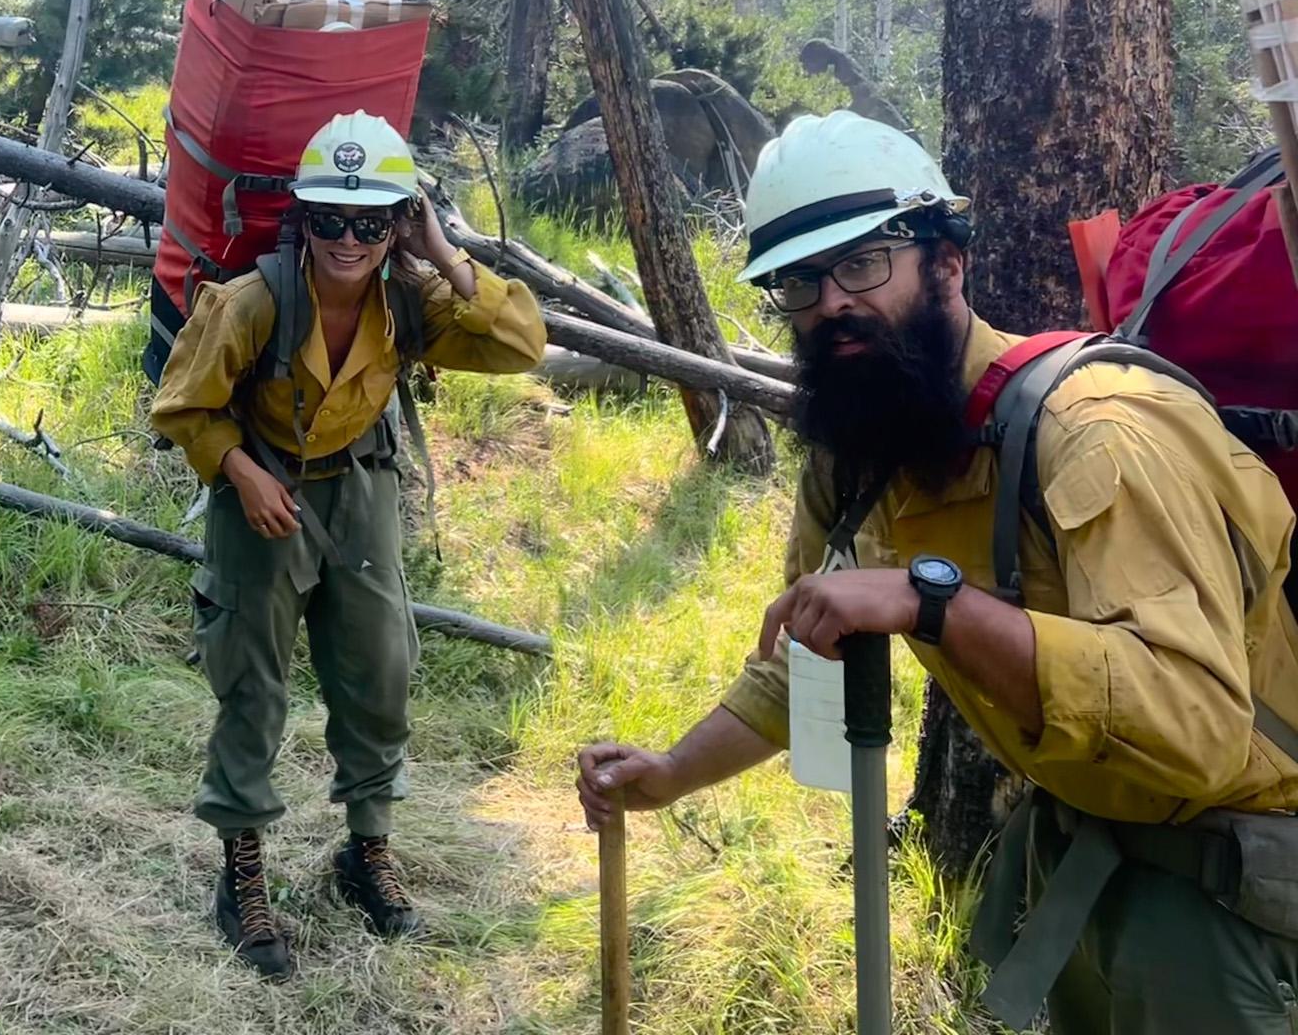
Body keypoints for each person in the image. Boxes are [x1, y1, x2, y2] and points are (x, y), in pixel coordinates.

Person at [573, 110, 1298, 1033]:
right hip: (1091, 853)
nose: (830, 302)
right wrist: (671, 771)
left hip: (1236, 892)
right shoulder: (865, 444)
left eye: (863, 264)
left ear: (946, 263)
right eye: (797, 281)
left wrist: (931, 604)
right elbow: (804, 661)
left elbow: (1196, 725)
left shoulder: (1098, 433)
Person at [151, 111, 546, 978]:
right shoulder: (256, 300)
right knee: (251, 681)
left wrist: (442, 252)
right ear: (302, 214)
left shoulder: (410, 301)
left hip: (360, 488)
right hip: (261, 492)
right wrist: (239, 473)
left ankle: (366, 852)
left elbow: (522, 342)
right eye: (330, 217)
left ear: (397, 223)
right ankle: (242, 870)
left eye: (372, 221)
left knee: (380, 672)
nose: (348, 239)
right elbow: (181, 406)